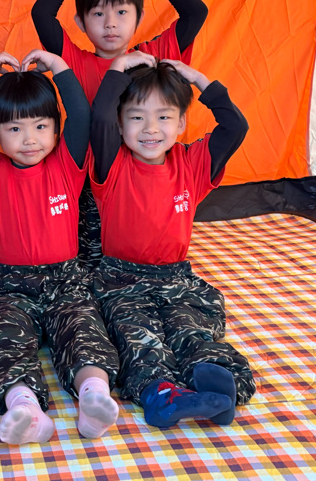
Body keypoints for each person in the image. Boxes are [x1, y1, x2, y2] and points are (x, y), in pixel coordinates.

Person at [0, 49, 119, 445]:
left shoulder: (66, 164)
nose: (29, 139)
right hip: (12, 286)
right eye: (14, 128)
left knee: (84, 328)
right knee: (3, 338)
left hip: (67, 282)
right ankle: (25, 408)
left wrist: (59, 67)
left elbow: (82, 115)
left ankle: (93, 397)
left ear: (56, 129)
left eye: (41, 126)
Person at [89, 52, 255, 430]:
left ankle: (213, 384)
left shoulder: (191, 163)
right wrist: (116, 69)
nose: (150, 128)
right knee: (137, 335)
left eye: (164, 117)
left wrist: (197, 78)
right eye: (136, 117)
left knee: (190, 327)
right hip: (121, 281)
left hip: (176, 279)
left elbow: (235, 126)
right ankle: (161, 395)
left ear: (181, 123)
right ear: (120, 123)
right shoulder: (111, 163)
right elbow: (98, 118)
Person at [31, 0, 209, 272]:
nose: (110, 23)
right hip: (91, 185)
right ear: (81, 22)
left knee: (136, 257)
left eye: (122, 12)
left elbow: (196, 11)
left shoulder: (152, 59)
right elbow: (41, 13)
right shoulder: (73, 61)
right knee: (87, 268)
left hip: (145, 184)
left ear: (139, 17)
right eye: (98, 13)